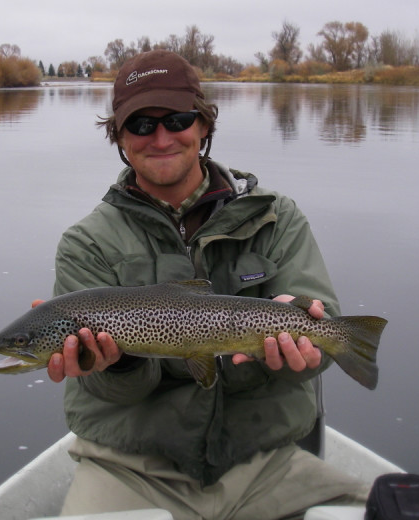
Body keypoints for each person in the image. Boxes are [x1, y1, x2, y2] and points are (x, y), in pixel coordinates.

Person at [43, 50, 368, 519]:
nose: (161, 138)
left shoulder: (276, 218)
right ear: (119, 137)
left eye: (177, 119)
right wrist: (113, 366)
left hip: (265, 462)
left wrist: (308, 342)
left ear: (203, 126)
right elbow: (110, 395)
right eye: (140, 125)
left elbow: (319, 328)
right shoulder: (85, 244)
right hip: (131, 469)